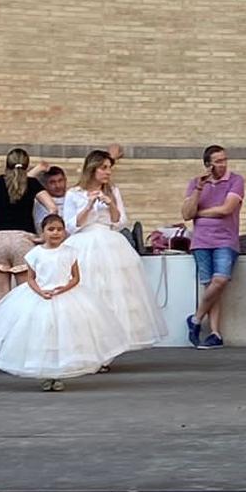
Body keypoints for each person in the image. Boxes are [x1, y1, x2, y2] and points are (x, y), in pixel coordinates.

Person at [0, 213, 112, 392]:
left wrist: (63, 289)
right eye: (51, 229)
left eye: (59, 229)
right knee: (43, 336)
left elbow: (75, 277)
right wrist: (40, 292)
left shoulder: (70, 252)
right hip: (41, 297)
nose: (56, 233)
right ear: (42, 232)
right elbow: (31, 278)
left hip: (65, 297)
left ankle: (58, 375)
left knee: (62, 336)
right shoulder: (35, 253)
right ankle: (46, 374)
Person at [63, 148, 163, 366]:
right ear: (93, 168)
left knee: (112, 294)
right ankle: (86, 348)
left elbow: (120, 222)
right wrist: (89, 205)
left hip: (109, 241)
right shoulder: (74, 193)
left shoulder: (113, 191)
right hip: (83, 242)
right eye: (104, 168)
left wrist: (111, 204)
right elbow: (71, 225)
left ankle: (107, 351)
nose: (108, 172)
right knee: (86, 292)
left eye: (110, 168)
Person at [184, 144, 246, 349]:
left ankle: (195, 319)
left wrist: (200, 214)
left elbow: (226, 209)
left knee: (220, 280)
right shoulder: (195, 183)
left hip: (225, 239)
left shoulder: (235, 180)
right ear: (208, 165)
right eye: (218, 161)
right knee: (210, 286)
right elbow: (186, 213)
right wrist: (199, 190)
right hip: (201, 241)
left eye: (224, 160)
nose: (223, 165)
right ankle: (215, 333)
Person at [0, 148, 47, 300]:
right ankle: (23, 324)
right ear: (26, 164)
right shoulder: (32, 184)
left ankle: (3, 324)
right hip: (23, 240)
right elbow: (52, 207)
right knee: (25, 293)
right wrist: (43, 235)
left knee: (1, 294)